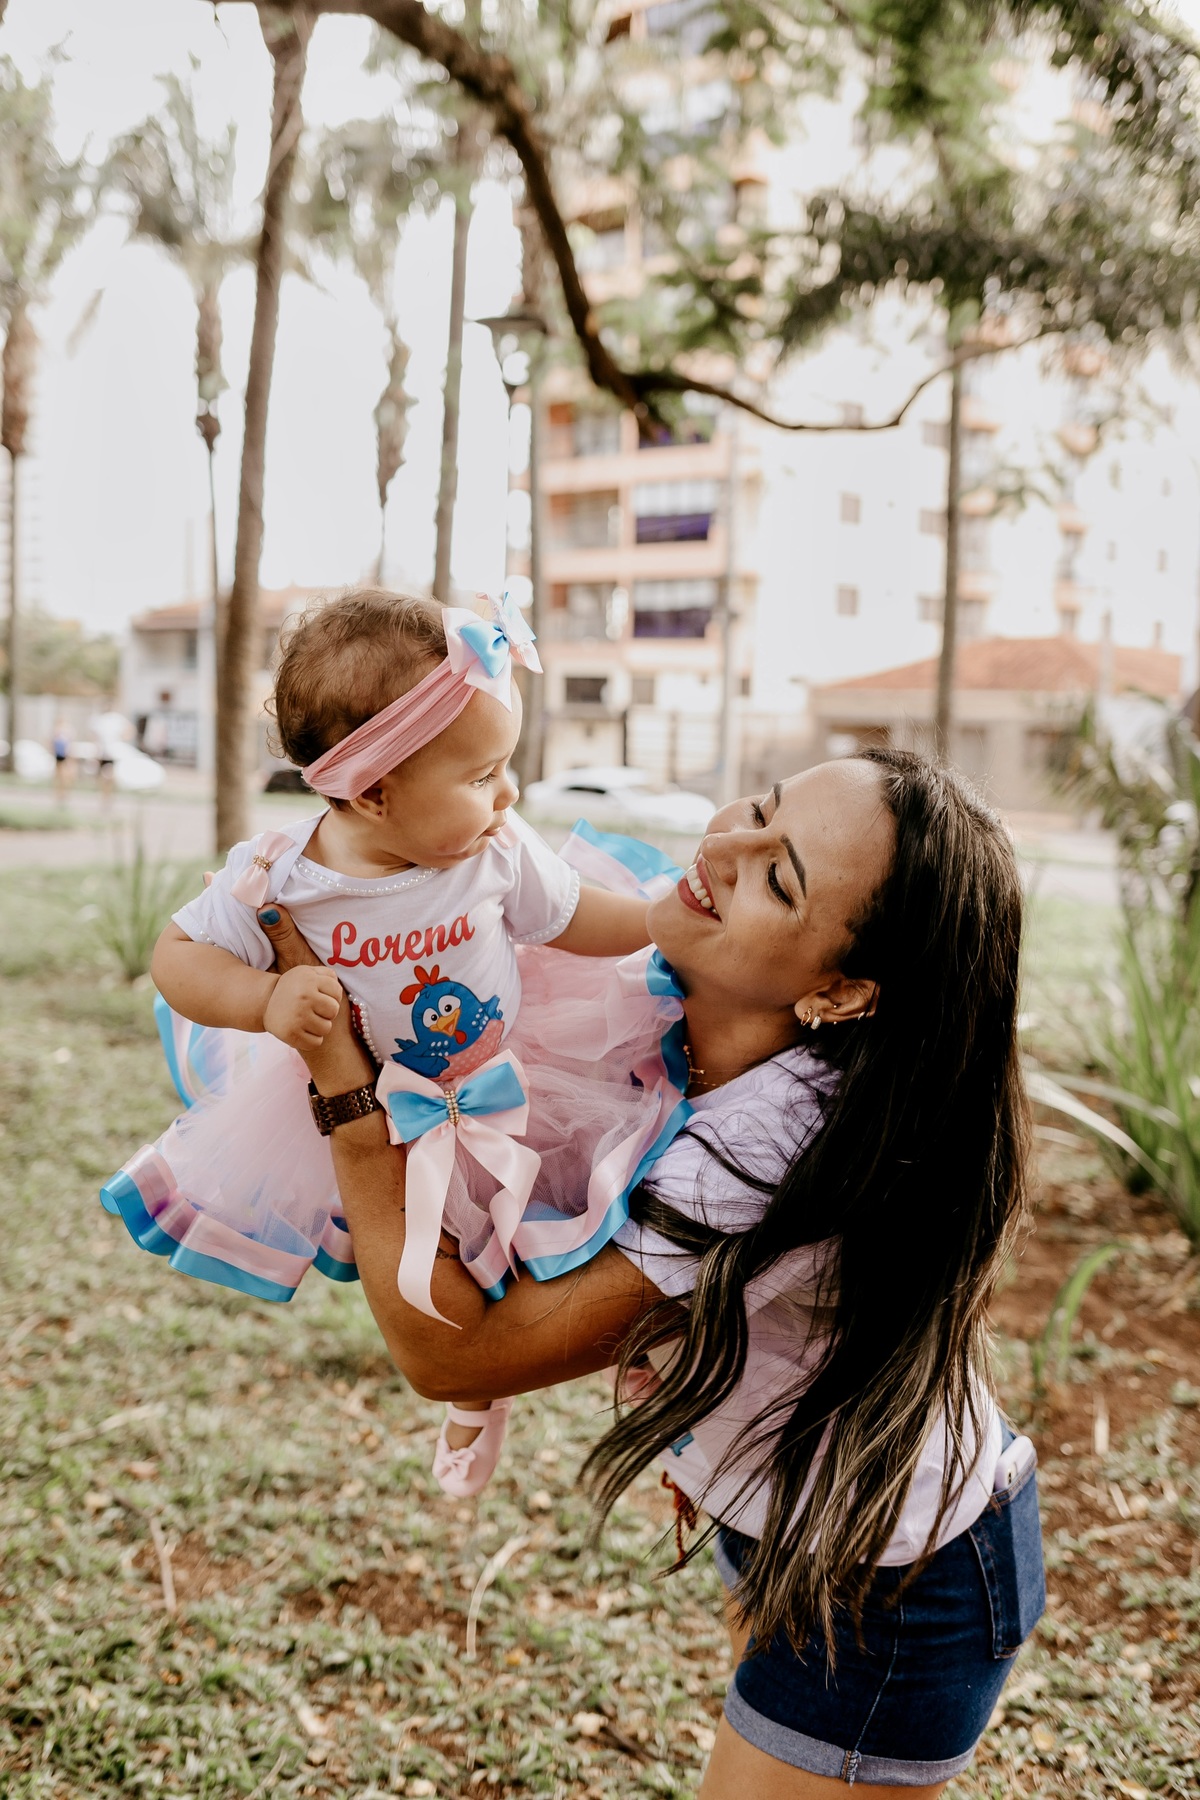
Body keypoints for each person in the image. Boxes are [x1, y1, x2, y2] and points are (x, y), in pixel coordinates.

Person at [260, 749, 1045, 1799]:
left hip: (889, 1584)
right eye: (760, 808)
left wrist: (351, 1096)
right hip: (790, 1522)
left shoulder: (774, 1147)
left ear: (842, 989)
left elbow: (457, 1357)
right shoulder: (679, 995)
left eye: (778, 877)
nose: (724, 846)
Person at [103, 588, 683, 1499]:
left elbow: (574, 916)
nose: (509, 793)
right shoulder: (279, 877)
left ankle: (639, 1348)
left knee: (579, 1202)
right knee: (440, 1254)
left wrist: (662, 925)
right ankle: (475, 1393)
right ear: (374, 792)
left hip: (517, 1071)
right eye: (483, 775)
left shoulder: (495, 848)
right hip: (387, 1108)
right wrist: (264, 997)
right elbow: (177, 957)